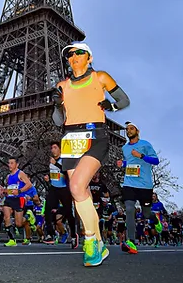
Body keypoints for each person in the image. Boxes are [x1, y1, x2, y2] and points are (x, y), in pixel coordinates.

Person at [52, 42, 129, 267]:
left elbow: (124, 100)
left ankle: (90, 241)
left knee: (76, 187)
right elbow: (57, 121)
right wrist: (57, 105)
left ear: (89, 58)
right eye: (70, 54)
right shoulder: (62, 85)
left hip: (95, 134)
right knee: (80, 192)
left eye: (79, 53)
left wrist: (110, 107)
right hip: (70, 138)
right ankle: (99, 242)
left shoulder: (101, 77)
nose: (74, 56)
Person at [116, 122, 160, 254]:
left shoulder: (145, 144)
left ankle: (154, 218)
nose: (129, 131)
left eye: (131, 128)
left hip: (144, 185)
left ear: (137, 131)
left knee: (146, 214)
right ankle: (131, 242)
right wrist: (122, 164)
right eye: (127, 129)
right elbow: (130, 163)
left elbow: (156, 161)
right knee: (129, 209)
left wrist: (141, 156)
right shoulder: (124, 148)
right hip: (129, 183)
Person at [42, 141, 78, 248]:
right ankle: (50, 234)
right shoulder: (51, 162)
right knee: (47, 209)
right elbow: (55, 174)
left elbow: (67, 173)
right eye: (51, 148)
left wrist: (55, 164)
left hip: (64, 189)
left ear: (60, 149)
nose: (53, 150)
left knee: (68, 213)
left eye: (55, 147)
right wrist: (48, 178)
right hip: (54, 188)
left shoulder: (64, 160)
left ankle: (73, 235)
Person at [0, 157, 33, 247]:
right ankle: (12, 240)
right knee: (6, 217)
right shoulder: (8, 176)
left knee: (19, 224)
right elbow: (10, 190)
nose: (9, 165)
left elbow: (29, 184)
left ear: (17, 164)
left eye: (11, 163)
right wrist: (4, 191)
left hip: (19, 199)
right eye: (9, 163)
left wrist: (19, 191)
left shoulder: (20, 173)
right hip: (9, 199)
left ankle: (27, 219)